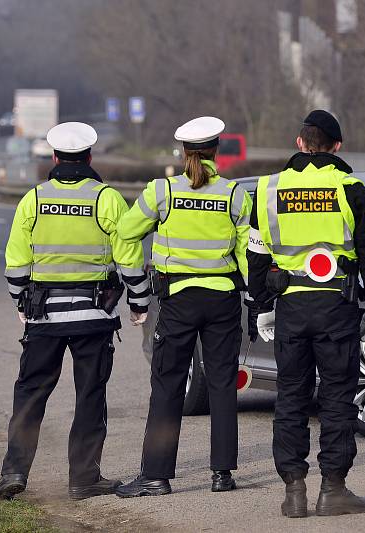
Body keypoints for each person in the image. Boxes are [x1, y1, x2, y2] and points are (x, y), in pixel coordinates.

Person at [0, 122, 151, 501]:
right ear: (90, 157)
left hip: (43, 317)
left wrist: (20, 301)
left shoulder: (35, 198)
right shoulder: (107, 199)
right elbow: (129, 255)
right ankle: (83, 478)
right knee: (90, 396)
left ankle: (14, 472)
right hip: (93, 316)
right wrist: (139, 301)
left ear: (54, 157)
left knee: (30, 395)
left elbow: (16, 259)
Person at [246, 110, 365, 517]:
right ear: (337, 146)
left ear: (299, 142)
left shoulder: (269, 189)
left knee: (290, 396)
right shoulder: (351, 188)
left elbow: (256, 253)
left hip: (290, 306)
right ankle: (333, 488)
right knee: (337, 397)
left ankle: (293, 490)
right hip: (336, 308)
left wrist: (261, 306)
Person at [115, 116, 252, 497]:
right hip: (223, 299)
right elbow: (247, 255)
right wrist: (255, 299)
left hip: (177, 301)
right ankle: (222, 474)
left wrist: (137, 290)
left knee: (167, 384)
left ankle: (156, 476)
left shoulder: (162, 192)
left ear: (183, 151)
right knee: (223, 384)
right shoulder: (235, 195)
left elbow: (125, 235)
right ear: (217, 151)